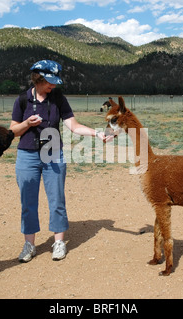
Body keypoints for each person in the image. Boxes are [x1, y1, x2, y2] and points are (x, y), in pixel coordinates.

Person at [10, 60, 110, 262]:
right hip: (27, 156)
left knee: (57, 200)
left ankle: (59, 243)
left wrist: (96, 133)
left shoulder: (58, 99)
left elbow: (73, 125)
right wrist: (27, 124)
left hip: (53, 154)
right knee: (27, 203)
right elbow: (13, 131)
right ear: (38, 79)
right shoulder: (22, 100)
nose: (53, 86)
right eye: (49, 82)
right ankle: (29, 245)